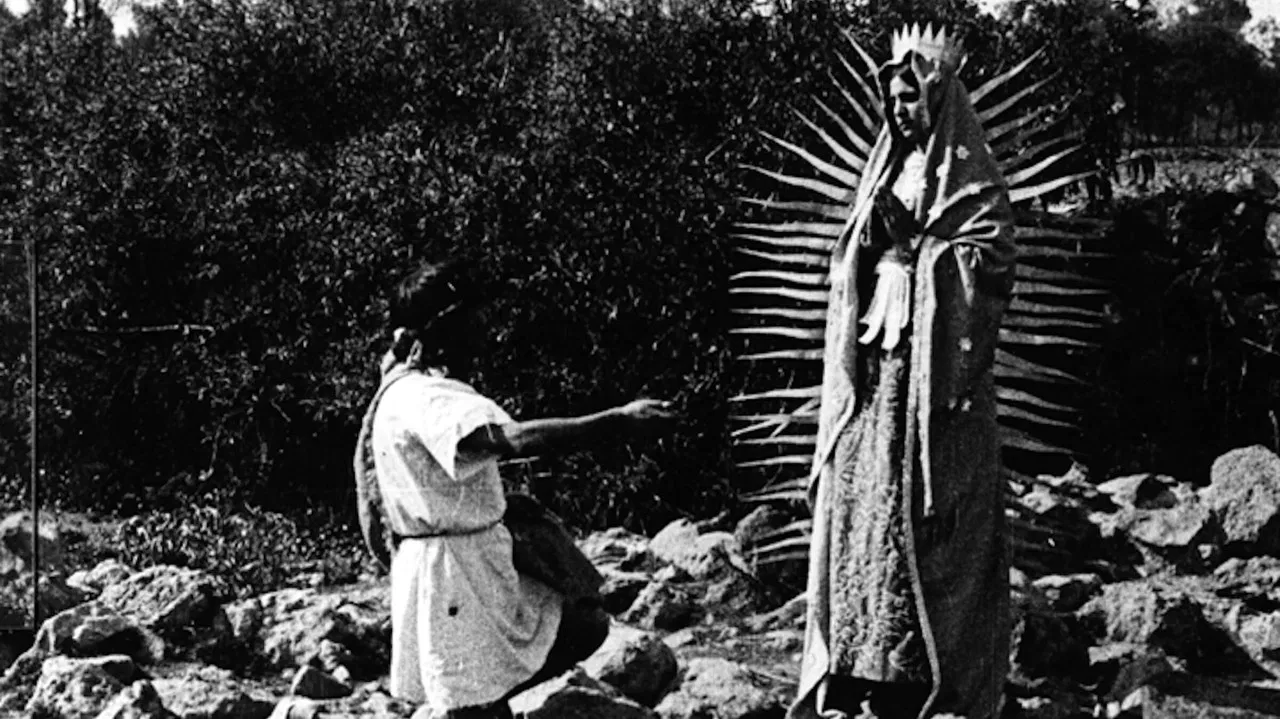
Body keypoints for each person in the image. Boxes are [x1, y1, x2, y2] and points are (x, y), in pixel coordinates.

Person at [789, 24, 1015, 719]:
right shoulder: (886, 167)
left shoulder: (971, 182)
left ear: (939, 98)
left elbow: (990, 262)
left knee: (924, 504)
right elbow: (850, 258)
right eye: (892, 98)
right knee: (865, 501)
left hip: (932, 381)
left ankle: (923, 672)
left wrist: (919, 246)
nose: (899, 109)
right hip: (877, 366)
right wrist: (870, 241)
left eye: (911, 97)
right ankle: (860, 662)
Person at [354, 260, 678, 719]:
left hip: (460, 563)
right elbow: (516, 439)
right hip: (454, 575)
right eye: (474, 320)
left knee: (578, 626)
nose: (485, 330)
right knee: (475, 699)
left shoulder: (405, 390)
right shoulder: (427, 399)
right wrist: (619, 421)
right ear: (446, 329)